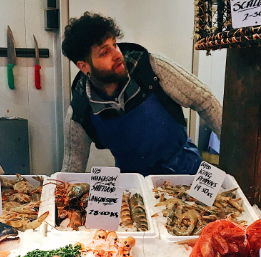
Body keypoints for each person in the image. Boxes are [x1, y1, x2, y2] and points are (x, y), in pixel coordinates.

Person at [61, 12, 222, 176]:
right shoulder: (79, 113)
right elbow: (71, 170)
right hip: (135, 188)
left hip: (187, 174)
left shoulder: (152, 68)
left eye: (115, 45)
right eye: (104, 52)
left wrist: (236, 152)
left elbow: (206, 101)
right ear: (84, 66)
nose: (117, 54)